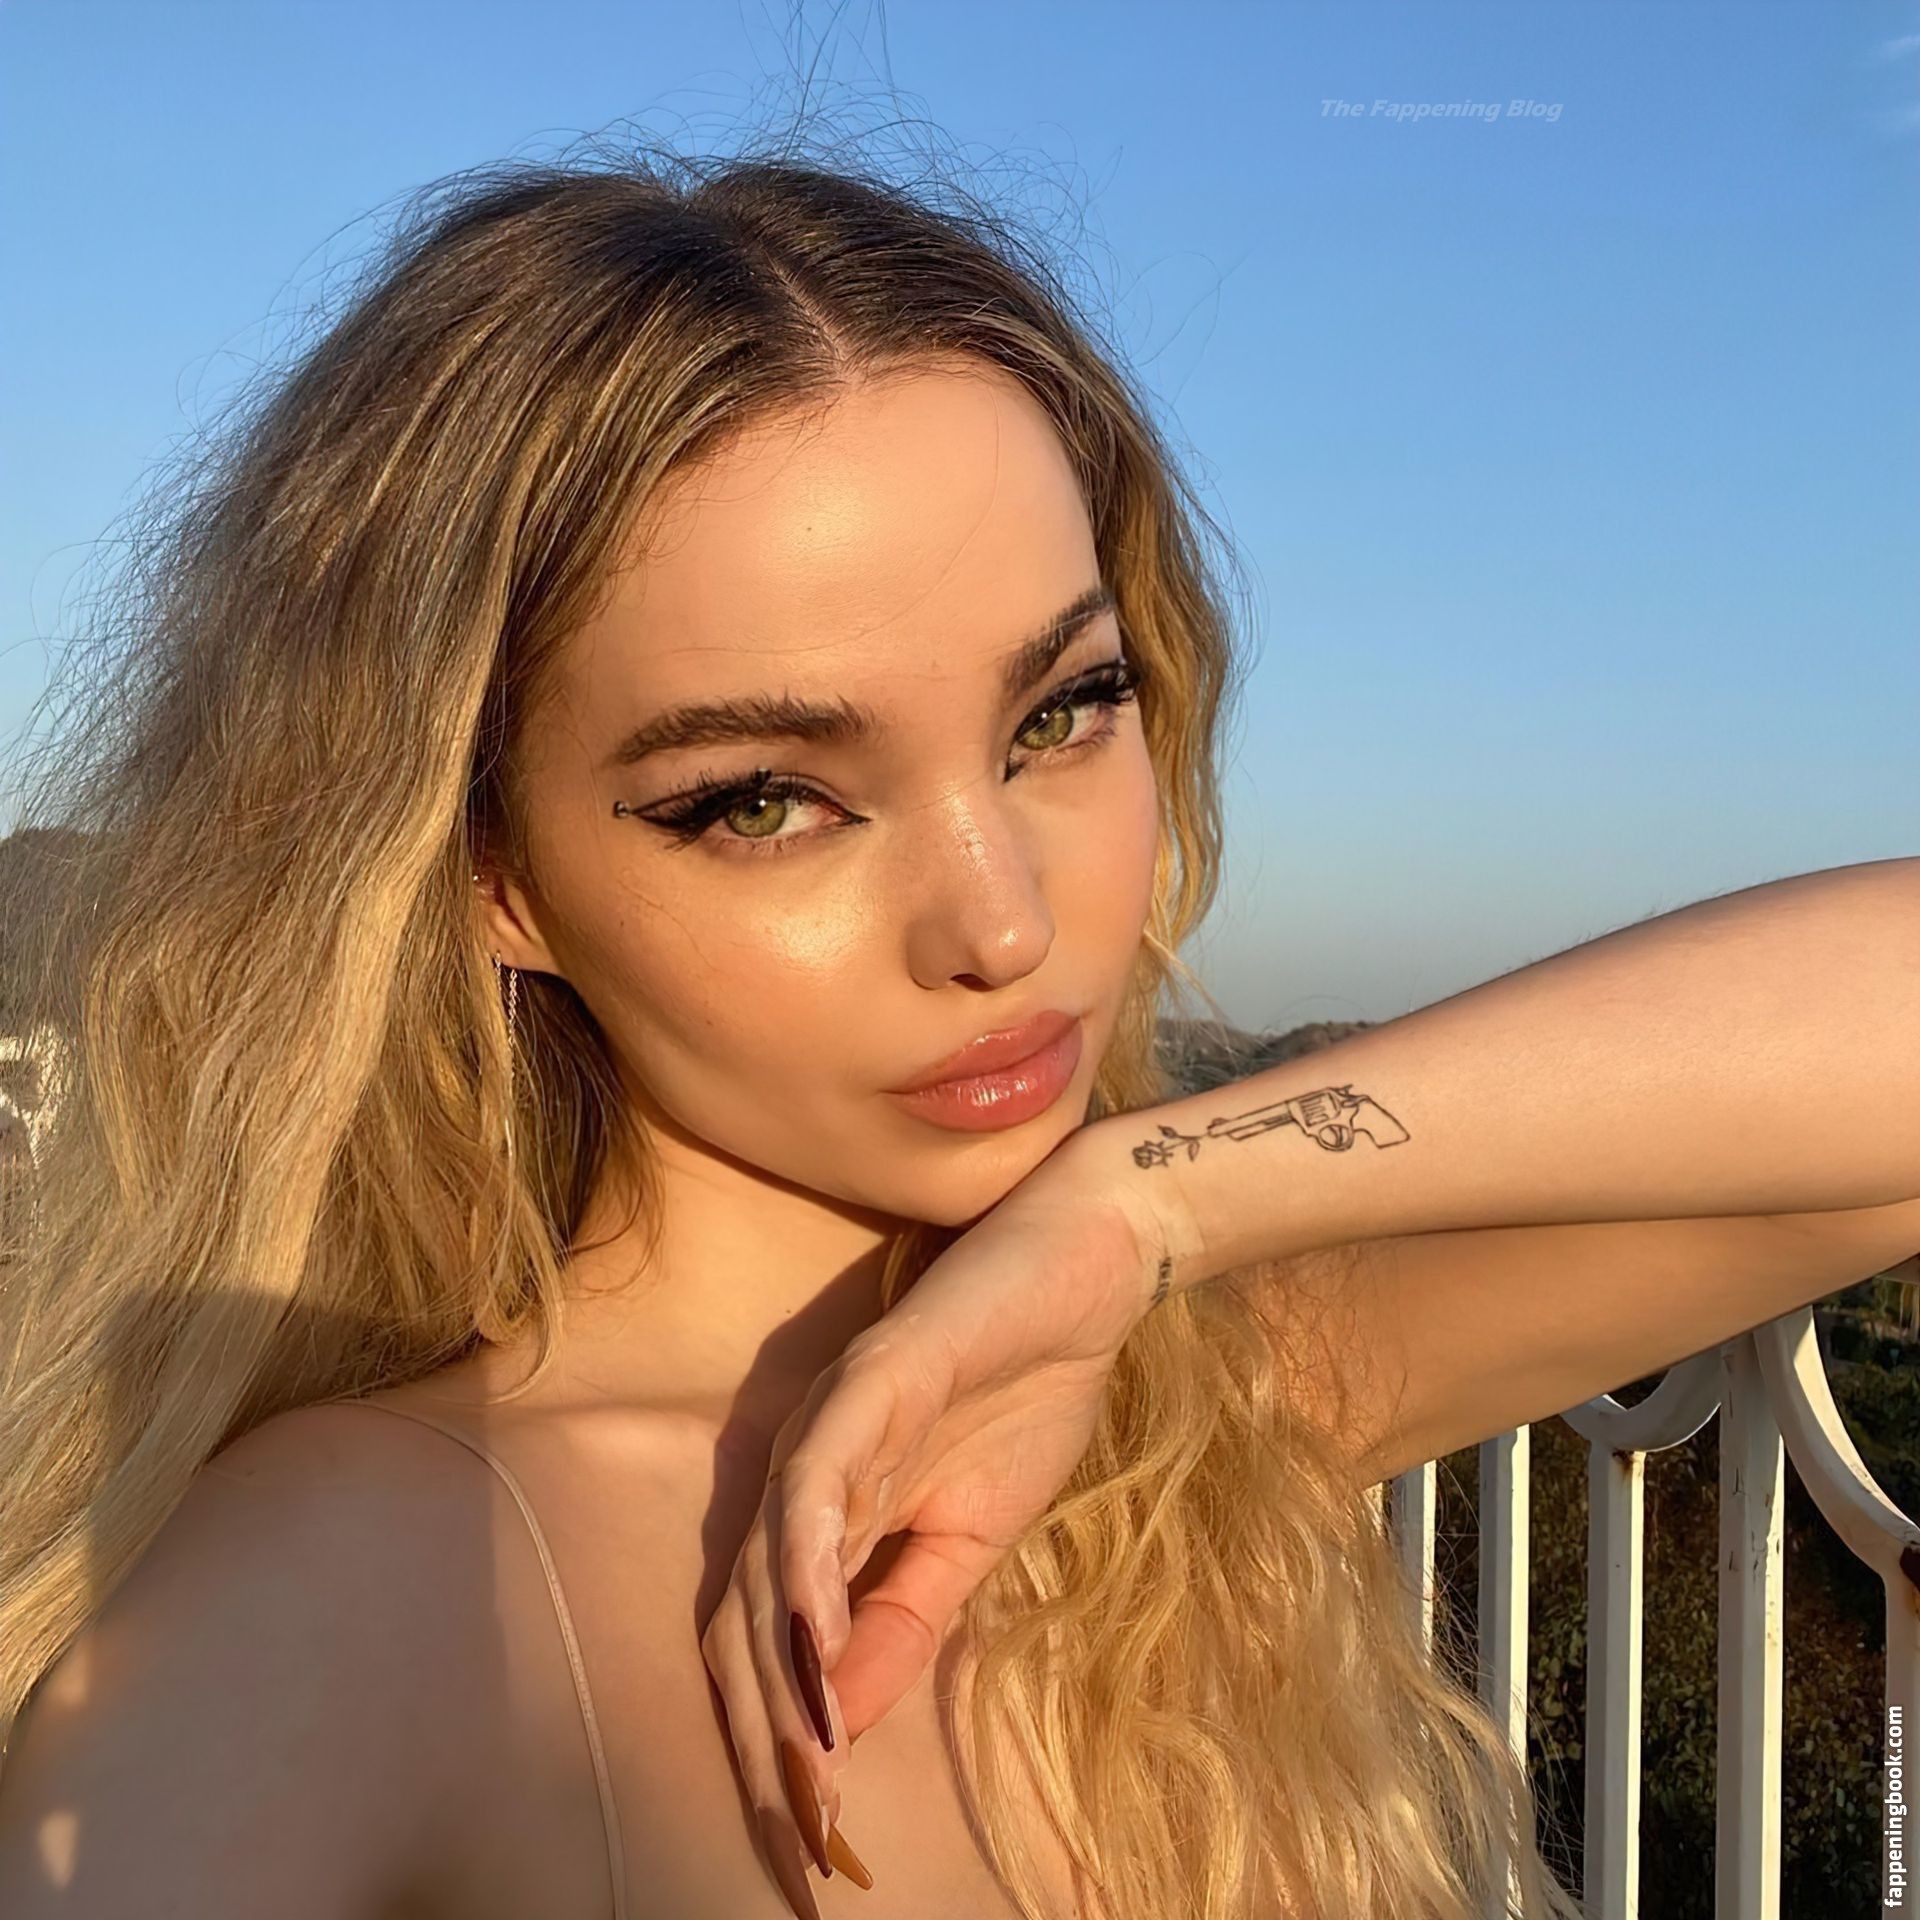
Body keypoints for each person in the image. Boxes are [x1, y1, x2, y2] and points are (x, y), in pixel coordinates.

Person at [2, 140, 1917, 1920]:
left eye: (1061, 713)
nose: (1004, 923)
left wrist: (1155, 1203)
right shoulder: (361, 1582)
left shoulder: (1195, 1413)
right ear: (492, 875)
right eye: (765, 800)